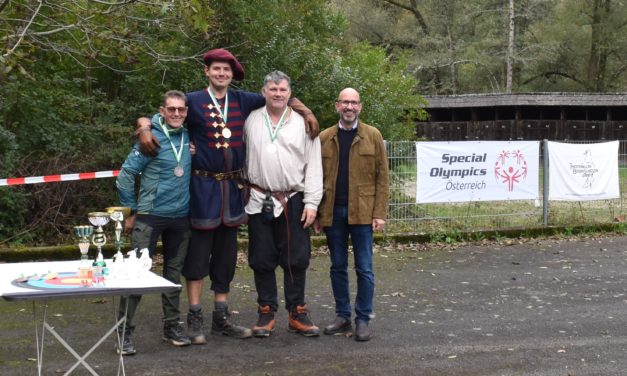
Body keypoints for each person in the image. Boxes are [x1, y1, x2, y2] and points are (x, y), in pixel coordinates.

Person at [135, 49, 319, 344]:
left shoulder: (243, 100)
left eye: (226, 70)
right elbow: (164, 113)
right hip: (202, 190)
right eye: (216, 69)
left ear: (232, 75)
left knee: (226, 258)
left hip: (233, 192)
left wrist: (306, 111)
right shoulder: (192, 101)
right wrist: (144, 127)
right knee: (196, 258)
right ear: (207, 72)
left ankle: (220, 317)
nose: (221, 74)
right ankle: (195, 315)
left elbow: (280, 97)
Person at [244, 71, 323, 338]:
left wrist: (312, 203)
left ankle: (297, 312)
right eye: (273, 89)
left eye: (282, 90)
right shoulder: (251, 120)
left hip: (294, 199)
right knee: (261, 258)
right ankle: (266, 311)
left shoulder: (304, 123)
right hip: (258, 199)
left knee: (296, 258)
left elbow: (314, 164)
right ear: (263, 91)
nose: (278, 93)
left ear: (290, 93)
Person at [115, 90, 192, 355]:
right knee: (136, 275)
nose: (176, 114)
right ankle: (124, 333)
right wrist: (132, 211)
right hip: (150, 217)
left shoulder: (188, 135)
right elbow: (125, 176)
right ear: (162, 111)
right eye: (171, 109)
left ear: (186, 112)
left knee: (173, 275)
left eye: (181, 109)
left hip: (180, 218)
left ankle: (171, 327)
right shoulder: (150, 139)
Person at [313, 88, 390, 342]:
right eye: (345, 102)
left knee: (365, 268)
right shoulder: (324, 137)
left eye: (353, 103)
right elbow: (315, 178)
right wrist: (317, 213)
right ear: (337, 106)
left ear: (360, 107)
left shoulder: (373, 135)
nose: (349, 107)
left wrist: (379, 213)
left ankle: (363, 319)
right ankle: (343, 315)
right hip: (333, 212)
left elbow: (382, 177)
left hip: (363, 214)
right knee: (337, 267)